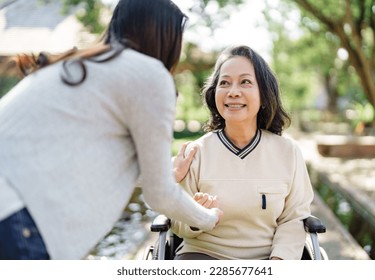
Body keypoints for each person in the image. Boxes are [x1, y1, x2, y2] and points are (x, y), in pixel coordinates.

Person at [0, 0, 222, 260]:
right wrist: (208, 219)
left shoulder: (80, 65)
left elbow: (86, 160)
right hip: (21, 218)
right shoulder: (148, 74)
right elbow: (159, 195)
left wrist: (167, 171)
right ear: (165, 37)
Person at [171, 45, 314, 260]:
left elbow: (294, 219)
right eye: (225, 83)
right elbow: (177, 225)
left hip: (267, 259)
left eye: (245, 82)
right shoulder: (195, 153)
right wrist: (195, 215)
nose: (233, 91)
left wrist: (279, 262)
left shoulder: (288, 152)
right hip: (202, 256)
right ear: (215, 94)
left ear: (264, 94)